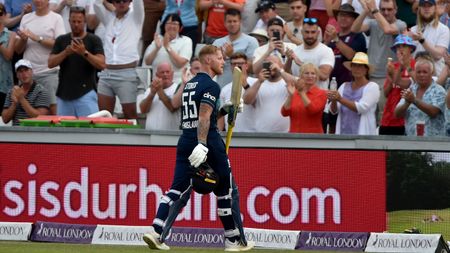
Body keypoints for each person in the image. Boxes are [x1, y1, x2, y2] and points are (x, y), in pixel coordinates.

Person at [142, 45, 254, 251]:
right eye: (219, 58)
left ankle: (157, 232)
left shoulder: (189, 84)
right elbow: (203, 116)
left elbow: (202, 115)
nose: (223, 62)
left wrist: (227, 109)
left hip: (185, 139)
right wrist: (202, 144)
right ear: (208, 61)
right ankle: (233, 240)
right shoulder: (212, 85)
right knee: (226, 190)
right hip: (208, 141)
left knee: (177, 188)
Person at [48, 5, 105, 117]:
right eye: (73, 21)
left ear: (85, 21)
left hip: (86, 93)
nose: (76, 24)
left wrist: (84, 53)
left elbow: (102, 64)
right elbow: (50, 63)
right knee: (64, 131)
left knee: (90, 130)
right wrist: (65, 52)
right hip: (63, 94)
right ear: (69, 21)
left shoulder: (93, 39)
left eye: (79, 21)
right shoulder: (61, 40)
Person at [94, 0, 144, 119]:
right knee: (104, 115)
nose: (122, 3)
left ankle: (133, 138)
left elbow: (139, 3)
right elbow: (97, 4)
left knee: (130, 115)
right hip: (106, 73)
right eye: (117, 1)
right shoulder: (108, 18)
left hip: (127, 72)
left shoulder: (136, 16)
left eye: (125, 0)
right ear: (113, 3)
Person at [15, 0, 66, 115]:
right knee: (25, 111)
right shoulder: (26, 18)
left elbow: (60, 44)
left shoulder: (56, 18)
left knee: (53, 111)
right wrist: (23, 39)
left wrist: (38, 38)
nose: (39, 1)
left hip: (49, 72)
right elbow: (18, 50)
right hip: (28, 74)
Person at [328, 52, 380, 135]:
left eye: (360, 66)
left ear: (366, 70)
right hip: (343, 134)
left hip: (363, 136)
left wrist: (340, 99)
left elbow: (361, 108)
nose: (357, 68)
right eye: (354, 65)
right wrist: (334, 100)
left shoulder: (373, 87)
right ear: (351, 68)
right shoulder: (344, 86)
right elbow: (334, 111)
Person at [395, 58, 446, 136]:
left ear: (431, 73)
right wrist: (406, 103)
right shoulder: (410, 90)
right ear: (415, 73)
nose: (421, 74)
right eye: (418, 72)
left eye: (425, 72)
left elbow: (434, 112)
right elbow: (397, 114)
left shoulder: (439, 90)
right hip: (411, 141)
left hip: (434, 142)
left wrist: (414, 100)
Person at [379, 34, 416, 135]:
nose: (400, 49)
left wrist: (399, 68)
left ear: (411, 49)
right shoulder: (393, 66)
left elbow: (411, 85)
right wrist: (392, 74)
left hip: (407, 119)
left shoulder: (416, 65)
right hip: (389, 118)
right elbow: (386, 93)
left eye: (404, 46)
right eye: (398, 47)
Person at [212, 8, 258, 87]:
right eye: (229, 21)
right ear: (225, 23)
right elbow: (211, 68)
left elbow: (253, 68)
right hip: (222, 87)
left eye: (235, 21)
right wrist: (223, 57)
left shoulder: (251, 41)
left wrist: (231, 56)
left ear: (240, 22)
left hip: (244, 87)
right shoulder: (217, 43)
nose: (232, 24)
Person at [244, 54, 290, 132]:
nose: (270, 66)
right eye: (267, 64)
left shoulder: (287, 82)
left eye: (272, 63)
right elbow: (246, 101)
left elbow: (299, 85)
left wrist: (280, 70)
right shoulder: (258, 83)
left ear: (280, 65)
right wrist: (259, 81)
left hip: (286, 133)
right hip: (262, 132)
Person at [143, 13, 193, 85]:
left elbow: (180, 63)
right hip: (158, 83)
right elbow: (148, 62)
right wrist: (157, 48)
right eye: (168, 23)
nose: (171, 26)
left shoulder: (186, 40)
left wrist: (167, 47)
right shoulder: (157, 40)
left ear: (180, 27)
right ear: (164, 26)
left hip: (178, 82)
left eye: (175, 24)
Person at [280, 63, 327, 133]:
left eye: (313, 74)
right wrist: (290, 96)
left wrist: (301, 93)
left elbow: (312, 110)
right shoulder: (295, 93)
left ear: (316, 77)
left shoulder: (321, 93)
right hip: (294, 136)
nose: (310, 76)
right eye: (306, 73)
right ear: (301, 76)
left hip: (313, 137)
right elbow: (284, 113)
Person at [2, 59, 50, 125]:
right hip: (16, 132)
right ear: (17, 75)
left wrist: (21, 99)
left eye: (26, 70)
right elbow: (5, 119)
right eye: (20, 71)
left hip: (34, 132)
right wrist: (14, 104)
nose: (24, 74)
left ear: (32, 71)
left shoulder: (41, 91)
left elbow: (40, 118)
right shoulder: (12, 92)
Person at [408, 0, 449, 77]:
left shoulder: (444, 29)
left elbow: (438, 55)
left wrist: (422, 40)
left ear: (435, 8)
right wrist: (405, 41)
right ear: (419, 9)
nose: (426, 9)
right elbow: (408, 58)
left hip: (436, 79)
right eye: (423, 6)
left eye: (429, 6)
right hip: (415, 78)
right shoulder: (413, 30)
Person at [218, 52, 257, 132]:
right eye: (233, 64)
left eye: (240, 64)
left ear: (246, 66)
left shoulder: (255, 83)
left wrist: (245, 84)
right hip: (232, 135)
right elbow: (222, 115)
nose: (236, 66)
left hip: (253, 134)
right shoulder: (225, 89)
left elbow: (256, 103)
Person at [139, 62, 181, 130]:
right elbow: (143, 110)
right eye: (162, 72)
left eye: (167, 72)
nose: (165, 74)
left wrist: (159, 90)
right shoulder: (150, 90)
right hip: (150, 135)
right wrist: (152, 93)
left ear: (172, 74)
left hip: (170, 135)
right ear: (157, 75)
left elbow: (172, 108)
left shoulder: (178, 89)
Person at [0, 3, 16, 115]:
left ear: (5, 15)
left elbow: (8, 55)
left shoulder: (11, 34)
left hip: (4, 83)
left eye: (0, 13)